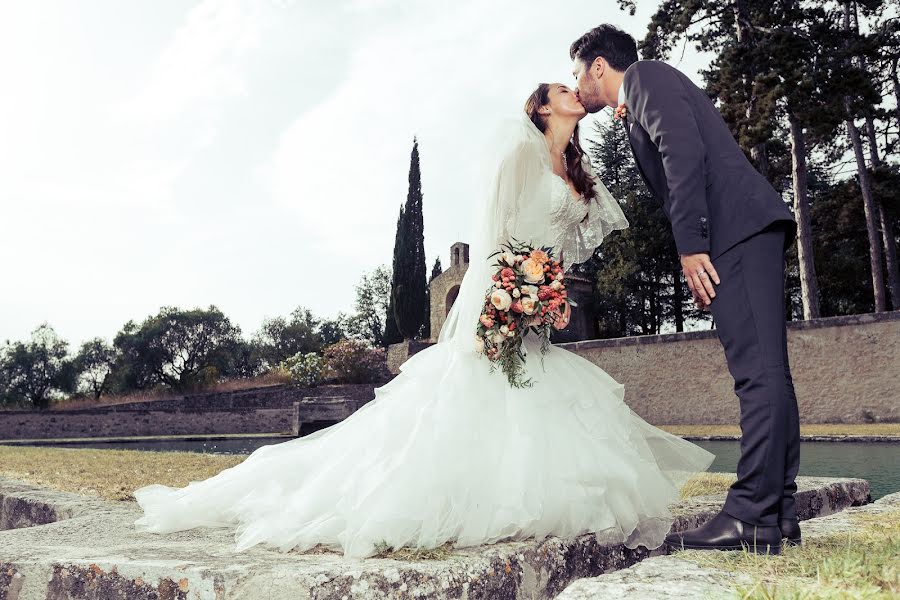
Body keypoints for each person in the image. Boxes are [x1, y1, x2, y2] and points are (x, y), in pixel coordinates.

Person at [132, 82, 716, 560]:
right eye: (562, 88)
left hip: (540, 303)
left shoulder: (577, 167)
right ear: (540, 108)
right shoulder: (520, 154)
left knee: (547, 397)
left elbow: (573, 241)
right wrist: (503, 296)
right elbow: (493, 234)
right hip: (507, 293)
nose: (573, 91)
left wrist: (549, 290)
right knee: (483, 401)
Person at [570, 24, 800, 555]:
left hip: (733, 232)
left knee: (756, 374)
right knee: (769, 371)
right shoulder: (642, 99)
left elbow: (681, 150)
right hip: (746, 231)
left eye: (576, 73)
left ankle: (749, 514)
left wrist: (692, 244)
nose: (577, 84)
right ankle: (778, 511)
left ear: (598, 66)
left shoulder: (646, 78)